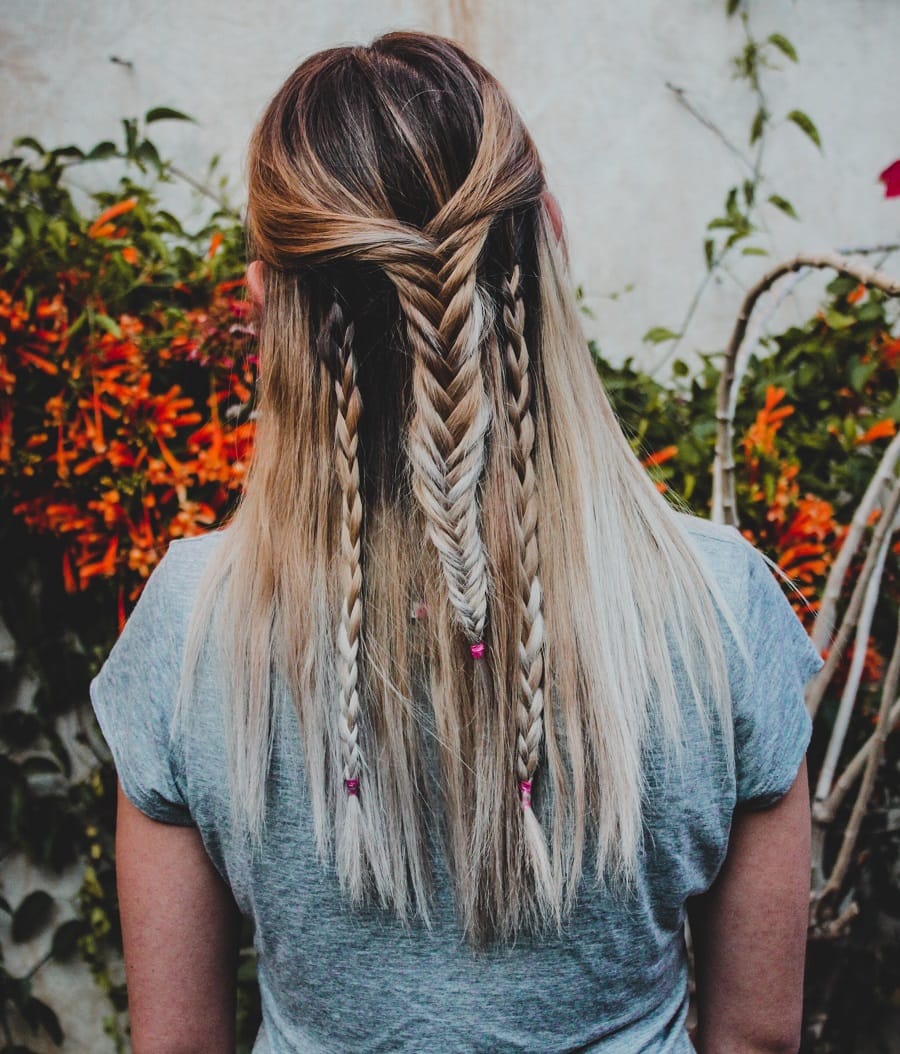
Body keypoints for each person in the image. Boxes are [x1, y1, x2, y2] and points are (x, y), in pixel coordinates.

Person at [90, 31, 823, 1054]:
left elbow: (177, 1046)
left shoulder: (188, 626)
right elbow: (756, 1038)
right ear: (550, 244)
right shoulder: (719, 611)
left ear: (265, 305)